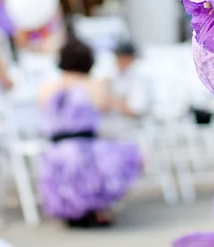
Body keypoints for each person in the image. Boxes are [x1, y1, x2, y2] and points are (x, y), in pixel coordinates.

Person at [37, 38, 142, 228]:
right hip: (85, 146)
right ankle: (95, 209)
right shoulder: (93, 85)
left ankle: (75, 211)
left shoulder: (48, 86)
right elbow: (108, 107)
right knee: (121, 153)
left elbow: (42, 112)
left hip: (55, 150)